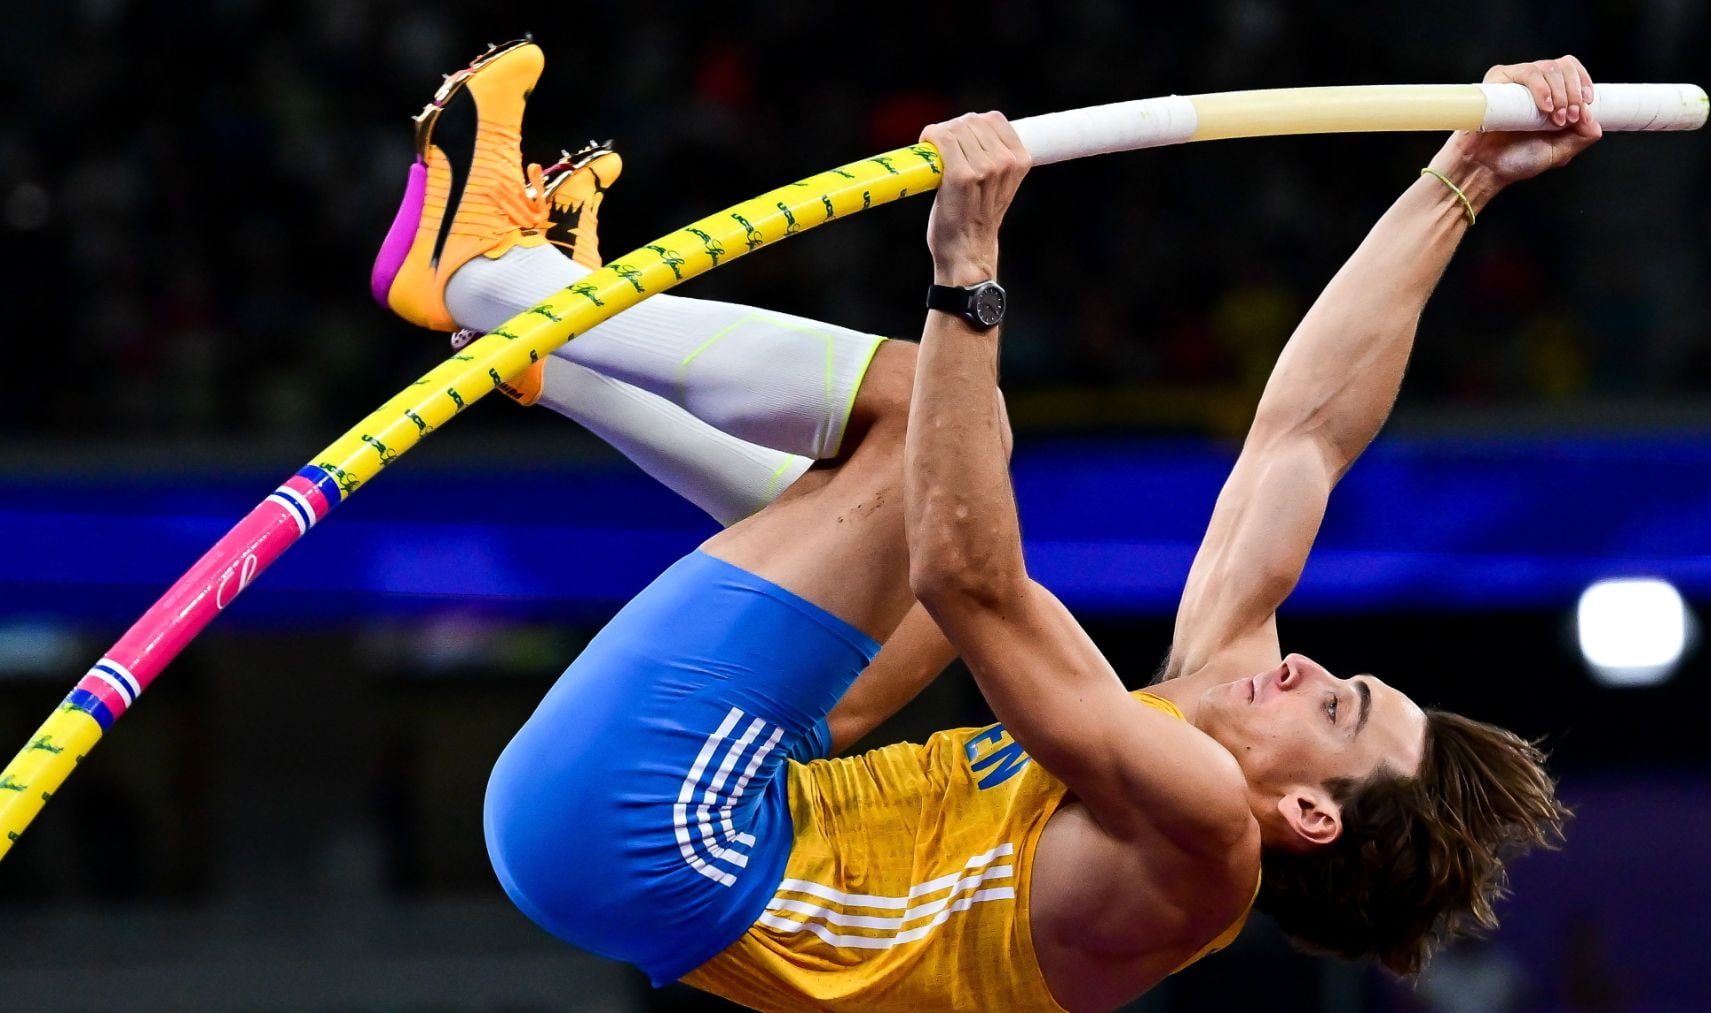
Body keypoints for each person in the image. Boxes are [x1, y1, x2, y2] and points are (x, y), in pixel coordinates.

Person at [374, 40, 1589, 1013]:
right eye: (1346, 677)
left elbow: (972, 577)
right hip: (728, 806)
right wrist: (1461, 179)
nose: (1311, 666)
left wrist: (969, 263)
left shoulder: (1204, 831)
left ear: (1310, 815)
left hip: (647, 832)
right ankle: (551, 344)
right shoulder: (1220, 704)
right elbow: (1305, 433)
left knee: (929, 417)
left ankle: (494, 279)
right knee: (926, 518)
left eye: (1337, 708)